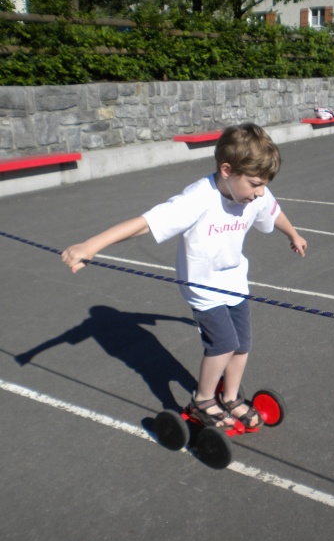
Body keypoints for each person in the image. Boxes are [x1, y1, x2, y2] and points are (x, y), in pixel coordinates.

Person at [62, 123, 307, 432]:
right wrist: (91, 245)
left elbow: (273, 211)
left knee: (242, 344)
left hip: (234, 280)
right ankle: (202, 401)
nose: (259, 192)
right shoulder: (198, 198)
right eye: (255, 184)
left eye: (263, 185)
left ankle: (230, 397)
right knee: (224, 344)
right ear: (227, 170)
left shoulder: (255, 194)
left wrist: (293, 234)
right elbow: (146, 223)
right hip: (203, 286)